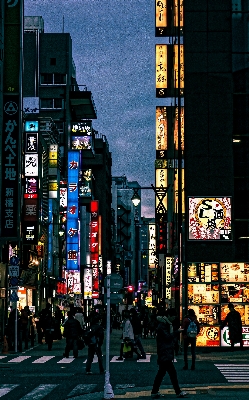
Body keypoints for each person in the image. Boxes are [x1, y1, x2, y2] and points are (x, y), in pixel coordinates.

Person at [151, 309, 187, 399]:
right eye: (173, 316)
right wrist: (176, 332)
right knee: (172, 373)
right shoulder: (163, 325)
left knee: (161, 373)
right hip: (165, 352)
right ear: (169, 316)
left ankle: (154, 392)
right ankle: (178, 392)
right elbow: (167, 337)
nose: (174, 318)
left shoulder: (166, 324)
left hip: (165, 352)